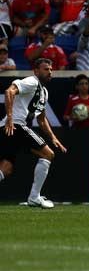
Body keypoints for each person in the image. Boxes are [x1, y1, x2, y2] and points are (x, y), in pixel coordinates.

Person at [0, 58, 66, 208]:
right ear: (36, 71)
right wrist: (10, 118)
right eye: (45, 69)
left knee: (6, 167)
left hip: (9, 128)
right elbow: (9, 91)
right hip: (15, 125)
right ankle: (34, 197)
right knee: (48, 154)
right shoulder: (32, 81)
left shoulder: (44, 92)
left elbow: (42, 119)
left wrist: (54, 138)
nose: (49, 72)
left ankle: (34, 197)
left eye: (50, 69)